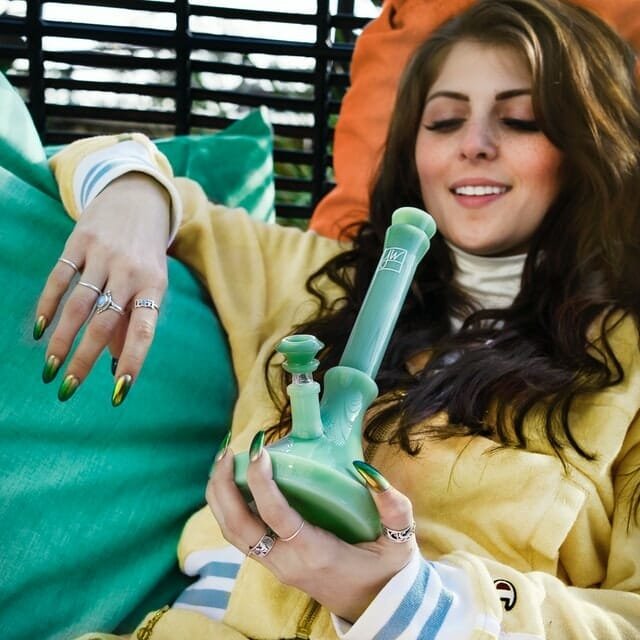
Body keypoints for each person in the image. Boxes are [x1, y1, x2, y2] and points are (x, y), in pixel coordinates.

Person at [35, 0, 640, 637]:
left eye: (519, 120)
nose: (473, 145)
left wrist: (413, 600)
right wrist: (133, 203)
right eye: (444, 120)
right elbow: (120, 169)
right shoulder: (313, 275)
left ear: (586, 145)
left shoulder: (626, 365)